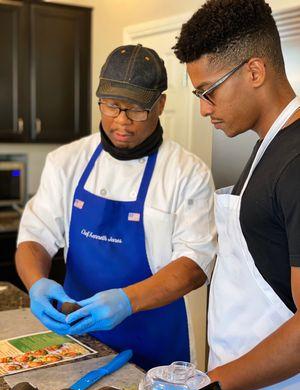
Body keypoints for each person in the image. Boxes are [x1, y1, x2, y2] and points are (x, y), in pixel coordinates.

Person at [16, 44, 216, 370]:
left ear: (160, 104)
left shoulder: (187, 173)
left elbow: (194, 265)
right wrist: (36, 284)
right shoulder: (66, 161)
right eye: (111, 106)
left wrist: (127, 301)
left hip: (159, 342)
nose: (122, 121)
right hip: (79, 339)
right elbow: (35, 237)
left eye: (136, 109)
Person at [173, 0, 300, 390]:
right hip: (241, 383)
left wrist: (208, 387)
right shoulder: (268, 147)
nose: (202, 109)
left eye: (208, 92)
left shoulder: (296, 162)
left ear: (255, 71)